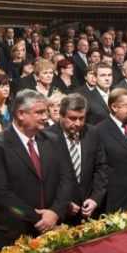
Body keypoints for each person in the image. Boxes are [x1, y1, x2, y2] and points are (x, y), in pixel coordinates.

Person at [0, 89, 75, 253]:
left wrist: (55, 212)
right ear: (21, 114)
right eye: (39, 112)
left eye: (45, 112)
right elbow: (0, 195)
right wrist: (39, 219)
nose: (45, 117)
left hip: (52, 229)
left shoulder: (53, 140)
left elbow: (67, 178)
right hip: (13, 235)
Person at [49, 93, 107, 223]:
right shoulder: (47, 137)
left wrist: (95, 198)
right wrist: (63, 203)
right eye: (72, 118)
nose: (78, 123)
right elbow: (48, 178)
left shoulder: (92, 133)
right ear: (61, 115)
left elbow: (101, 167)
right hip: (61, 215)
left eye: (82, 118)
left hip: (91, 210)